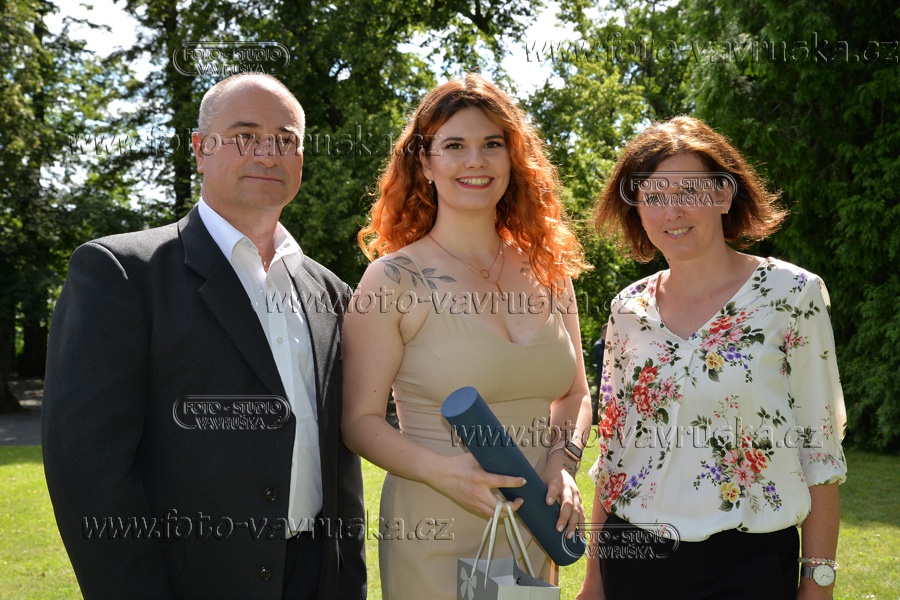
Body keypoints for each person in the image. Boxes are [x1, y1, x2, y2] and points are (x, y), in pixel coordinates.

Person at [42, 73, 366, 600]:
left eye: (285, 139)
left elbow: (340, 463)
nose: (267, 153)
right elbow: (88, 472)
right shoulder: (121, 275)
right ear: (200, 149)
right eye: (245, 135)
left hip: (314, 578)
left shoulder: (330, 292)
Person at [341, 73, 593, 599]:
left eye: (492, 144)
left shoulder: (549, 270)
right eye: (454, 145)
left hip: (534, 526)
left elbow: (575, 394)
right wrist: (444, 473)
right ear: (425, 163)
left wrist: (562, 464)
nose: (475, 161)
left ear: (512, 158)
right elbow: (360, 422)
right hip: (436, 524)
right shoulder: (392, 279)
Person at [576, 116, 847, 600]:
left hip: (749, 566)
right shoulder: (626, 309)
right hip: (632, 558)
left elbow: (820, 450)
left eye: (689, 191)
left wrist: (818, 582)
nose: (672, 210)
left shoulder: (792, 296)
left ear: (724, 194)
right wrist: (594, 580)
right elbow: (615, 450)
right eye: (653, 196)